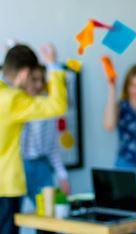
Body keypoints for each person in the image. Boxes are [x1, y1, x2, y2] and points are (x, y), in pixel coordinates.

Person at [0, 44, 67, 234]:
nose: (32, 84)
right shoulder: (13, 100)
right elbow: (57, 105)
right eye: (31, 77)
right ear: (23, 73)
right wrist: (53, 65)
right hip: (5, 185)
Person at [21, 65, 70, 208]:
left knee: (48, 214)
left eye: (41, 80)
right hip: (19, 165)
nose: (38, 85)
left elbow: (52, 147)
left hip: (41, 165)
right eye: (34, 79)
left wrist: (62, 175)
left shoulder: (47, 108)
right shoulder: (15, 103)